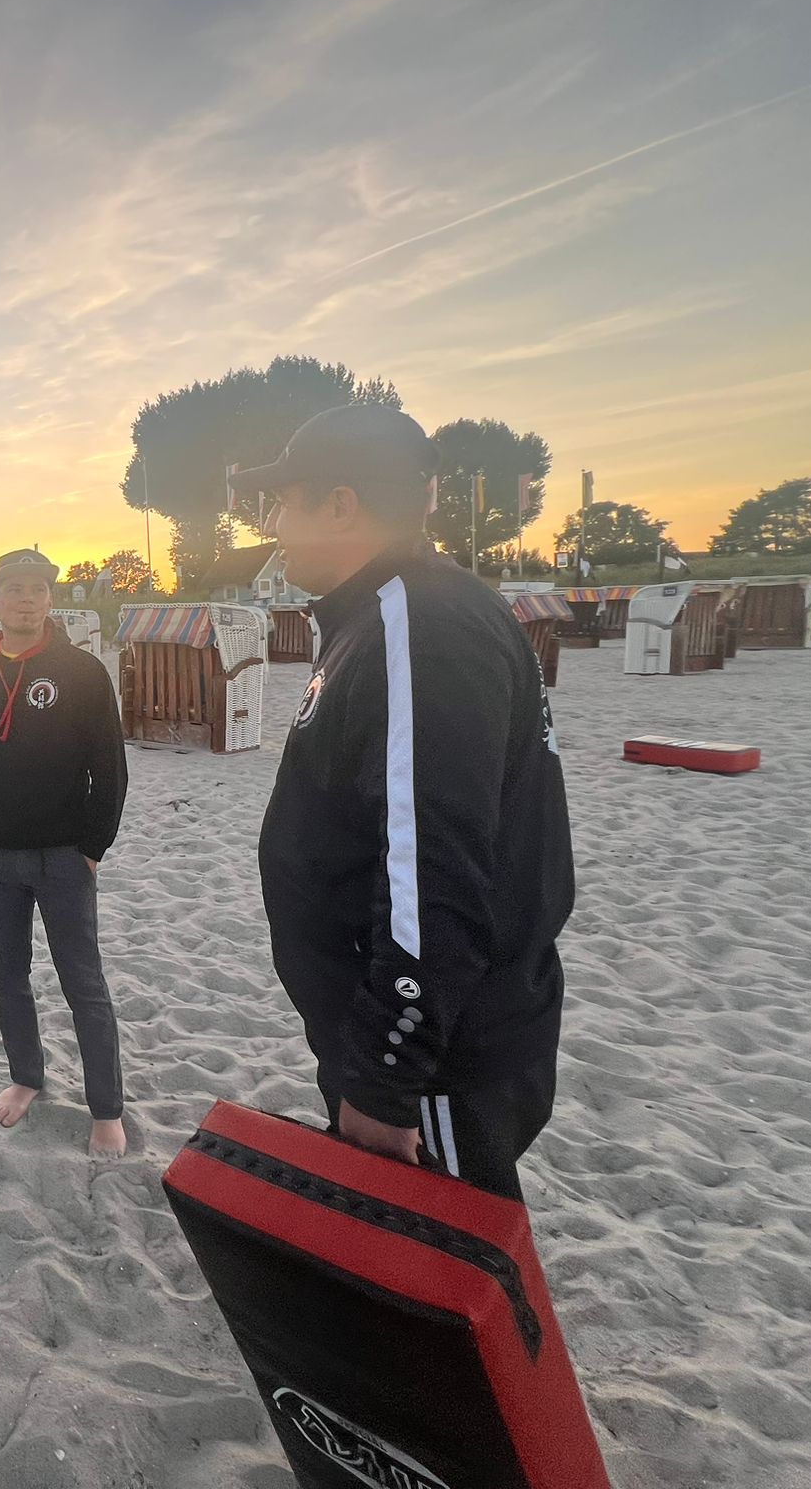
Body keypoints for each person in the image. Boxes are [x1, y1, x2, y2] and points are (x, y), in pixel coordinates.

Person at [235, 404, 575, 1201]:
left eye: (283, 502)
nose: (274, 526)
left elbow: (434, 868)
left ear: (341, 505)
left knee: (439, 1256)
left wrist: (387, 1072)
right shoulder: (391, 612)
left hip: (436, 1057)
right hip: (418, 1040)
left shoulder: (421, 628)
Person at [0, 549, 130, 1159]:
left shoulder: (81, 670)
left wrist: (92, 847)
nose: (27, 599)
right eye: (14, 589)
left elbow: (110, 767)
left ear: (50, 599)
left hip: (62, 856)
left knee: (83, 983)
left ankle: (106, 1108)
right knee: (8, 976)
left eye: (38, 590)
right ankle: (26, 1076)